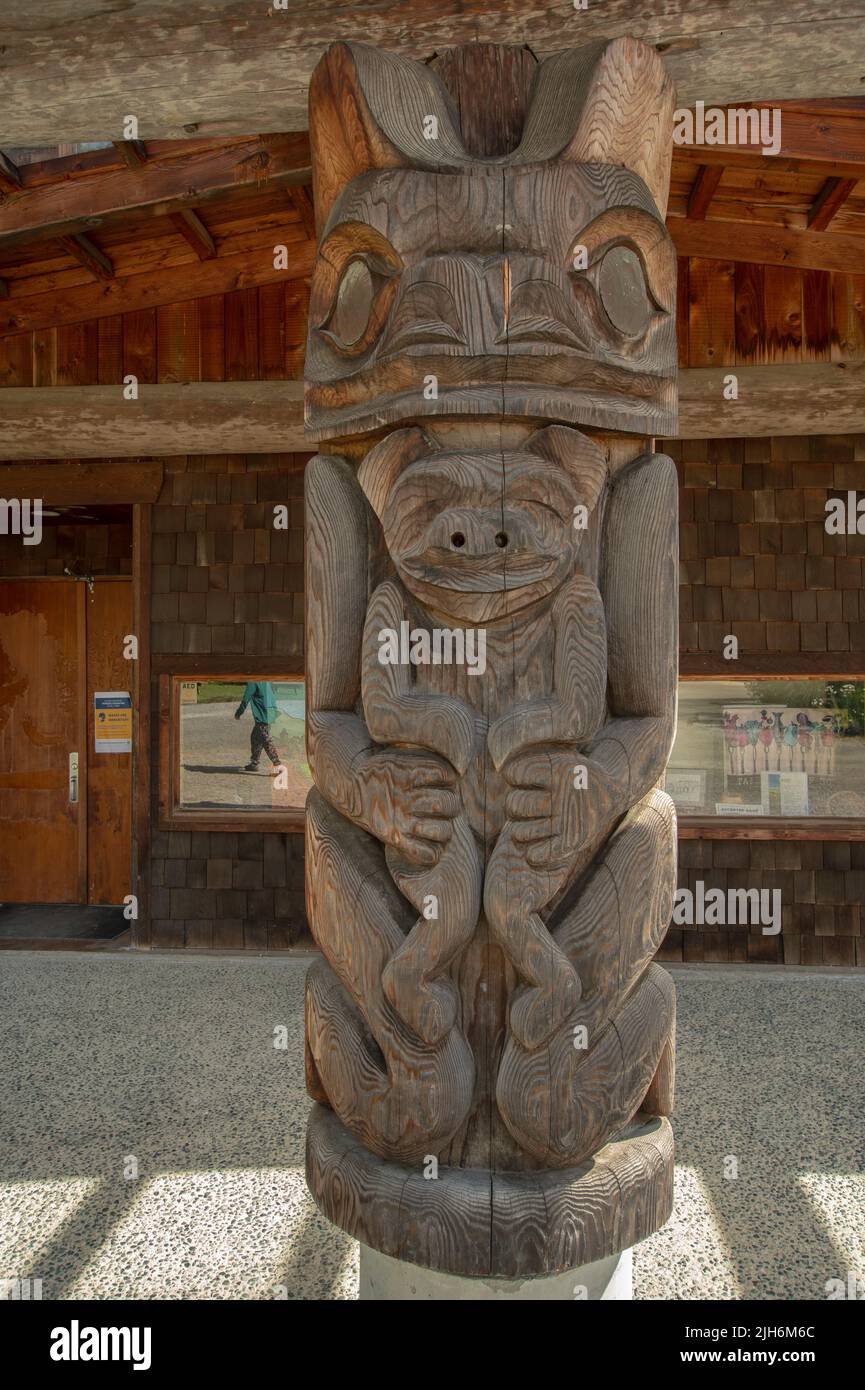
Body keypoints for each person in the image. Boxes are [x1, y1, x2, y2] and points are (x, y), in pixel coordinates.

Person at [234, 681, 283, 773]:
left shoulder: (253, 681)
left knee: (265, 739)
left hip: (263, 715)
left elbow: (246, 698)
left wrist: (239, 712)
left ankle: (277, 764)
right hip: (271, 711)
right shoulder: (266, 679)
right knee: (255, 737)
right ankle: (254, 763)